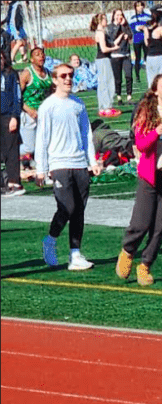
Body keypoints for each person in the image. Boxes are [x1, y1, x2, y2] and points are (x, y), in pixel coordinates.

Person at [116, 74, 162, 286]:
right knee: (141, 223)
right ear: (155, 90)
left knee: (160, 227)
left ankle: (146, 265)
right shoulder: (146, 110)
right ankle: (128, 251)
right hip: (150, 175)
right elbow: (140, 144)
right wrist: (156, 131)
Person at [34, 63, 102, 270]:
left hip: (79, 163)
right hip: (59, 163)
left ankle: (75, 254)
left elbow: (86, 135)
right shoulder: (48, 106)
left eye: (70, 75)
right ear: (55, 80)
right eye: (63, 76)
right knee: (67, 207)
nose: (68, 79)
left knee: (79, 210)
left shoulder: (78, 104)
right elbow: (42, 138)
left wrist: (92, 161)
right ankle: (51, 240)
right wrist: (41, 168)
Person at [18, 47, 51, 160]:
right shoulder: (27, 73)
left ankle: (36, 164)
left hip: (43, 113)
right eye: (37, 54)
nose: (41, 56)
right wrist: (28, 110)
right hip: (29, 114)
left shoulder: (48, 74)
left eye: (42, 54)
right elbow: (17, 96)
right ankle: (6, 152)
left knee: (44, 143)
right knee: (29, 147)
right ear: (32, 59)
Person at [91, 13, 124, 118]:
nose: (106, 21)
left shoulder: (103, 33)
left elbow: (112, 43)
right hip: (103, 59)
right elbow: (104, 49)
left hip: (104, 59)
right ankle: (106, 107)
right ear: (100, 21)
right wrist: (114, 49)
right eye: (104, 19)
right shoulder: (100, 33)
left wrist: (121, 36)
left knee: (104, 83)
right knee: (107, 83)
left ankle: (104, 107)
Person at [1, 51, 24, 197]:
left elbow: (17, 97)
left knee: (11, 150)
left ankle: (14, 182)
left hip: (8, 116)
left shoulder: (10, 75)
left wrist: (15, 116)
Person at [108, 9, 133, 105]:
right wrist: (119, 26)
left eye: (121, 14)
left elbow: (130, 35)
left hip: (126, 54)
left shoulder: (125, 25)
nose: (120, 16)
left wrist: (124, 26)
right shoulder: (111, 27)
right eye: (118, 14)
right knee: (118, 78)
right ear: (114, 16)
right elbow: (112, 37)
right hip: (116, 55)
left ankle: (129, 96)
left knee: (129, 75)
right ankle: (119, 96)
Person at [144, 12, 162, 88]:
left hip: (149, 57)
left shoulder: (146, 29)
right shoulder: (160, 29)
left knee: (151, 81)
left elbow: (146, 43)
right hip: (160, 56)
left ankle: (151, 98)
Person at [128, 1, 150, 83]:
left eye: (141, 6)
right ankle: (137, 76)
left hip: (146, 40)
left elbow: (151, 25)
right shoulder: (133, 18)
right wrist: (137, 28)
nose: (140, 7)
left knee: (147, 57)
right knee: (138, 58)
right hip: (137, 40)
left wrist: (146, 28)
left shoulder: (148, 16)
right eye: (137, 6)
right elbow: (131, 28)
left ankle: (149, 72)